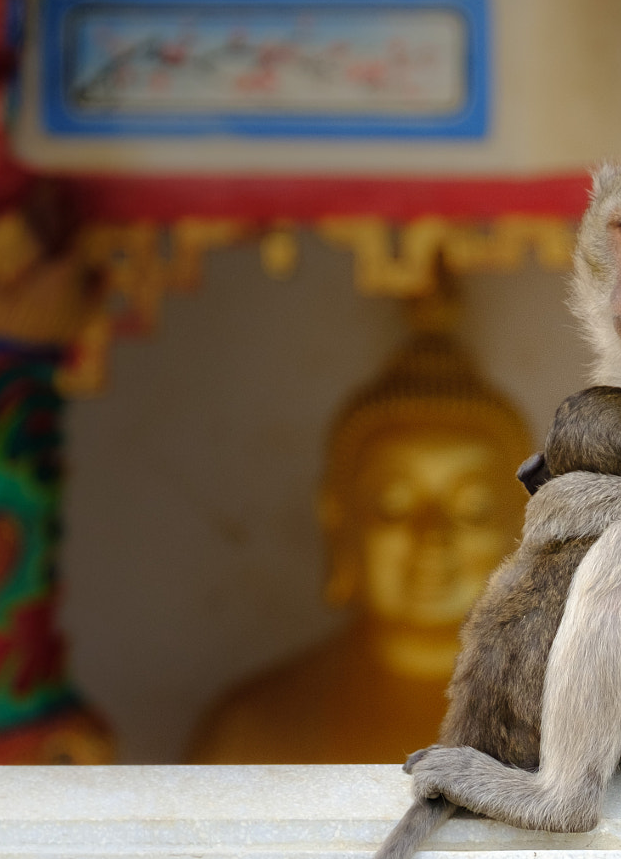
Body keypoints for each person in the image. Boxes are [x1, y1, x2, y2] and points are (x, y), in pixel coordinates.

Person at [187, 295, 530, 763]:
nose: (433, 536)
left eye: (473, 508)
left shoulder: (577, 722)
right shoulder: (257, 730)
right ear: (339, 519)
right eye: (393, 505)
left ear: (523, 528)